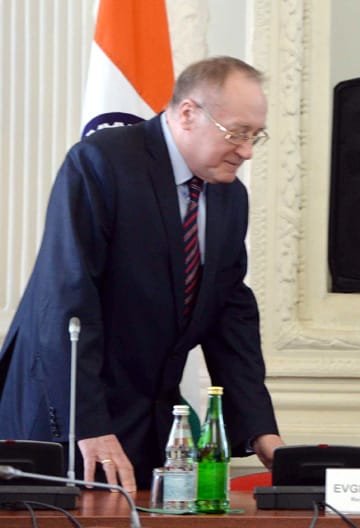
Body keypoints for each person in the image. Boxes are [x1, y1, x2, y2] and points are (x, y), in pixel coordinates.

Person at [0, 56, 284, 491]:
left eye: (255, 136)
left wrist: (261, 431)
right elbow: (66, 301)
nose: (246, 150)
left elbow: (230, 316)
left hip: (150, 417)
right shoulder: (102, 162)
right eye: (237, 133)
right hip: (65, 414)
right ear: (189, 113)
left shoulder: (230, 198)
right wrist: (88, 425)